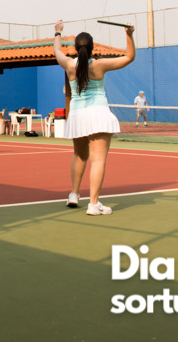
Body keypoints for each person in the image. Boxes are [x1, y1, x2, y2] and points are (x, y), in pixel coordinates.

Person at [53, 20, 136, 216]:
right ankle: (93, 204)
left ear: (75, 48)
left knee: (79, 155)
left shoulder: (69, 64)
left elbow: (56, 51)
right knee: (98, 160)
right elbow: (129, 57)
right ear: (92, 48)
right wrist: (129, 34)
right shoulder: (100, 65)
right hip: (98, 114)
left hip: (77, 115)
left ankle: (74, 194)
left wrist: (58, 33)